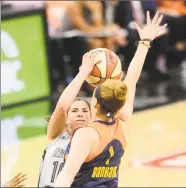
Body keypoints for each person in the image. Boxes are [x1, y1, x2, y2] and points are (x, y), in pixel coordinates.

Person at [55, 11, 167, 187]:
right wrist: (145, 42)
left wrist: (83, 72)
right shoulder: (123, 123)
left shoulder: (85, 134)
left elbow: (67, 176)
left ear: (95, 102)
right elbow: (132, 76)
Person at [37, 52, 100, 187]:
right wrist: (83, 73)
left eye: (84, 111)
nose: (80, 114)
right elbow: (62, 106)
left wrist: (100, 81)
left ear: (91, 117)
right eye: (74, 111)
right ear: (66, 118)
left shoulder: (92, 141)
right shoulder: (59, 134)